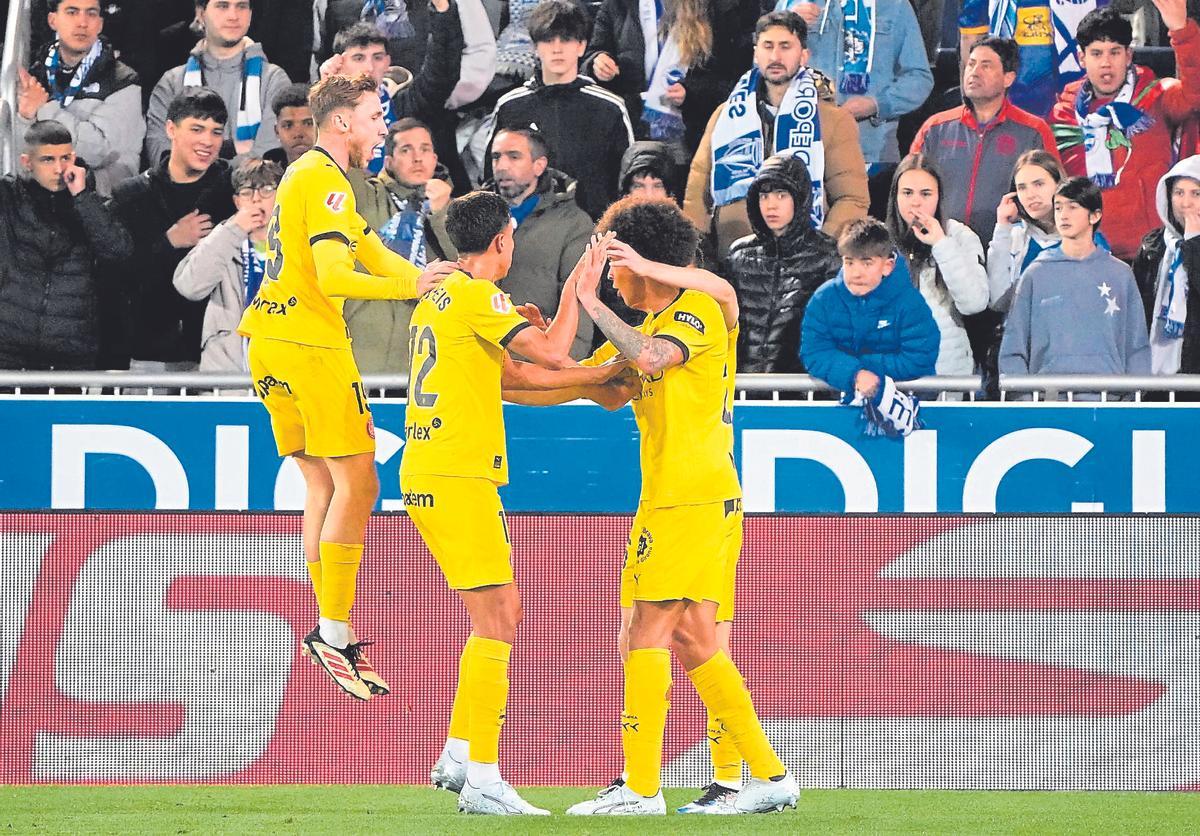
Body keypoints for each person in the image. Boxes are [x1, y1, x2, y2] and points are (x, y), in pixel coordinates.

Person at [566, 197, 800, 817]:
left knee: (645, 631)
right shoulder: (652, 325)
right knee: (695, 640)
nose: (609, 278)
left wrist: (590, 304)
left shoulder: (693, 310)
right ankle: (769, 776)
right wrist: (495, 363)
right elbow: (590, 383)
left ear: (639, 260)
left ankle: (641, 786)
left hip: (692, 496)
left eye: (612, 262)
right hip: (676, 498)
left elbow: (651, 357)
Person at [403, 193, 627, 815]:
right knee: (500, 616)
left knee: (495, 613)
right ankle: (483, 775)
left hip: (434, 471)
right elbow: (553, 352)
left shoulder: (440, 299)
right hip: (456, 472)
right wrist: (581, 290)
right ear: (503, 240)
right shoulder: (477, 296)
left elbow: (515, 380)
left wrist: (594, 381)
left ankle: (457, 753)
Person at [236, 74, 455, 702]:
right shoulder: (328, 179)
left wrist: (421, 273)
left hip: (269, 342)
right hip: (310, 345)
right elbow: (336, 274)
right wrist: (409, 291)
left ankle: (329, 622)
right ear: (341, 124)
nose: (382, 127)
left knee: (322, 484)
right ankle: (332, 631)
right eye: (373, 116)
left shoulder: (310, 175)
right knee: (360, 480)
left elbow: (365, 248)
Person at [683, 10, 869, 263]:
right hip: (734, 264)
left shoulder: (834, 120)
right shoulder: (725, 116)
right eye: (767, 46)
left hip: (806, 268)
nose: (775, 56)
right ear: (755, 53)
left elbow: (852, 198)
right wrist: (699, 258)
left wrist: (819, 252)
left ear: (804, 55)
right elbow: (698, 196)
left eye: (785, 46)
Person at [1049, 1, 1200, 262]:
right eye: (1096, 53)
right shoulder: (1063, 115)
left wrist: (1181, 30)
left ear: (1128, 56)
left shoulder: (1157, 98)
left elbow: (1194, 92)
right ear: (1081, 58)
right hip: (1091, 256)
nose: (1106, 63)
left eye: (1115, 52)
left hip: (1152, 253)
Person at [105, 88, 235, 372]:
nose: (207, 141)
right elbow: (117, 277)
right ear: (170, 129)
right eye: (197, 129)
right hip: (146, 355)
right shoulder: (132, 196)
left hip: (217, 357)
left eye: (216, 132)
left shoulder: (234, 193)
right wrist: (168, 243)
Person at [779, 0, 934, 217]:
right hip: (803, 146)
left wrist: (876, 104)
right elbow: (764, 68)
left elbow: (919, 78)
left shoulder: (895, 6)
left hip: (872, 148)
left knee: (870, 243)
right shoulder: (791, 4)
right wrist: (787, 27)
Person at [485, 0, 636, 220]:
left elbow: (628, 179)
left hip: (594, 230)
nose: (557, 48)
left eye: (566, 39)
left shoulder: (610, 107)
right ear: (535, 47)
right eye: (548, 40)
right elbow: (492, 178)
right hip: (525, 230)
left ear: (582, 46)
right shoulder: (510, 106)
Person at [0, 120, 132, 370]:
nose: (59, 168)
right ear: (27, 163)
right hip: (8, 351)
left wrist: (82, 197)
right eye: (48, 160)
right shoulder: (8, 197)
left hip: (68, 354)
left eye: (66, 158)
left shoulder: (93, 205)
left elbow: (118, 251)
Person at [999, 176, 1150, 384]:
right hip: (1048, 404)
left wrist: (1130, 402)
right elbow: (1013, 348)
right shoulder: (1036, 274)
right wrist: (1027, 403)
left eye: (1073, 207)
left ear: (1095, 215)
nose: (1063, 215)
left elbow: (1137, 347)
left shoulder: (1121, 274)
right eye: (1058, 208)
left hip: (1110, 403)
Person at [910, 36, 1059, 246]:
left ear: (1008, 78)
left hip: (1008, 250)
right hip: (941, 247)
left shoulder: (1033, 131)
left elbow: (1054, 196)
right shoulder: (935, 128)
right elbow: (908, 188)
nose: (974, 72)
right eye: (971, 64)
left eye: (986, 66)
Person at [347, 117, 458, 373]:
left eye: (425, 149)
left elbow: (470, 271)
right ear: (388, 162)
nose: (417, 158)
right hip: (362, 348)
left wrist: (442, 214)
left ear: (435, 158)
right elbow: (339, 156)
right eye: (406, 150)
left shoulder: (456, 211)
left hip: (422, 355)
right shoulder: (364, 195)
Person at [583, 0, 758, 153]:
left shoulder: (719, 8)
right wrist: (597, 63)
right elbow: (592, 54)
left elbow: (734, 80)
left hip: (689, 134)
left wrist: (690, 93)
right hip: (630, 126)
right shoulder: (618, 4)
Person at [485, 126, 596, 357]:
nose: (502, 166)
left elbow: (580, 301)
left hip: (537, 365)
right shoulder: (475, 215)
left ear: (539, 165)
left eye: (514, 157)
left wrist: (566, 365)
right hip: (477, 364)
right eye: (496, 157)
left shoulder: (573, 223)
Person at [15, 0, 144, 197]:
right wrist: (24, 118)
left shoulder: (123, 81)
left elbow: (99, 152)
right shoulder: (35, 76)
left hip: (98, 205)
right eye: (72, 12)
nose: (82, 22)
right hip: (39, 203)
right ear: (53, 20)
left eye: (91, 13)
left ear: (100, 24)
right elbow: (19, 156)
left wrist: (45, 109)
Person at [727, 154, 841, 374]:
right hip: (742, 388)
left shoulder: (827, 255)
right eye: (764, 196)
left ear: (800, 198)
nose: (771, 206)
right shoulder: (739, 255)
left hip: (802, 394)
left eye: (781, 195)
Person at [800, 217, 939, 397]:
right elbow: (814, 351)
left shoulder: (910, 304)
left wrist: (865, 369)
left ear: (887, 266)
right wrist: (854, 374)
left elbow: (919, 358)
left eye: (867, 263)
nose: (856, 273)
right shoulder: (824, 299)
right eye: (849, 262)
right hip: (840, 409)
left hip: (907, 407)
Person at [145, 0, 293, 165]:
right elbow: (162, 156)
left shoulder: (274, 80)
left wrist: (198, 164)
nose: (233, 16)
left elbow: (269, 155)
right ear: (201, 13)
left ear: (250, 14)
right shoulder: (171, 83)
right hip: (185, 191)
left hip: (254, 190)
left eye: (241, 6)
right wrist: (234, 149)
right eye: (223, 6)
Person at [320, 9, 463, 176]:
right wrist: (327, 89)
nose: (369, 67)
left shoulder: (405, 104)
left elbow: (440, 73)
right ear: (339, 62)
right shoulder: (320, 108)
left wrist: (442, 12)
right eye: (359, 58)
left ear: (387, 62)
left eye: (377, 57)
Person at [172, 157, 284, 372]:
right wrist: (233, 229)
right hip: (230, 379)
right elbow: (189, 287)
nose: (256, 199)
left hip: (286, 380)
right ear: (237, 202)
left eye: (267, 190)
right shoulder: (222, 243)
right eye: (246, 192)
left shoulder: (302, 247)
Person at [885, 154, 989, 378]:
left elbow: (974, 303)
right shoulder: (877, 241)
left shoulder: (960, 237)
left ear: (939, 197)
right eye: (907, 193)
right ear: (895, 196)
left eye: (926, 194)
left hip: (946, 374)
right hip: (890, 375)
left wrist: (941, 244)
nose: (916, 202)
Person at [958, 0, 1109, 117]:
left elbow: (1106, 32)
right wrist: (972, 106)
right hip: (1010, 104)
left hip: (1075, 102)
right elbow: (971, 37)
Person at [1133, 155, 1200, 375]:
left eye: (1196, 194)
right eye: (1179, 193)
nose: (1186, 203)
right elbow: (1136, 309)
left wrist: (1193, 242)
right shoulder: (1153, 245)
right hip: (1153, 369)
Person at [989, 149, 1068, 313]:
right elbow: (998, 301)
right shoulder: (1014, 236)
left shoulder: (1086, 237)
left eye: (1039, 184)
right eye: (1022, 188)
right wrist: (1002, 229)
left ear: (1059, 185)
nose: (1030, 195)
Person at [264, 83, 317, 169]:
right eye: (288, 125)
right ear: (277, 131)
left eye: (308, 123)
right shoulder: (267, 177)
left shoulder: (340, 173)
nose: (298, 134)